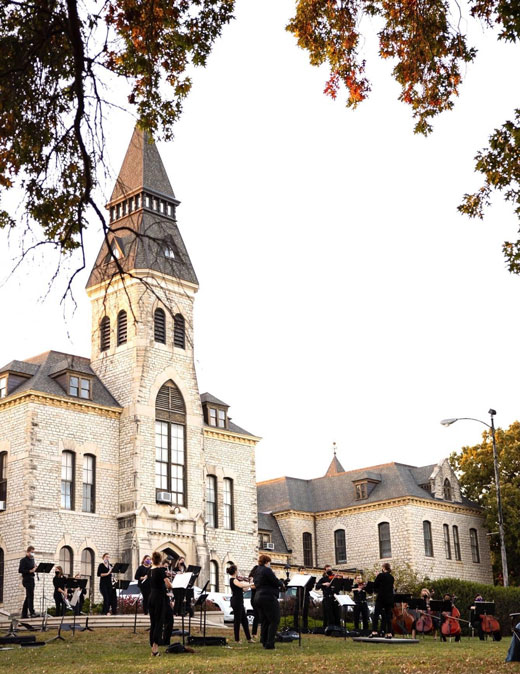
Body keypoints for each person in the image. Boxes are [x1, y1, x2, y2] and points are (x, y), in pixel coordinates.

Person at [252, 554, 281, 650]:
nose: (270, 564)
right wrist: (281, 583)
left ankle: (264, 641)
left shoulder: (256, 571)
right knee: (274, 620)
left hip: (258, 597)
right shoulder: (267, 570)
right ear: (266, 562)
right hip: (268, 597)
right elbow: (275, 581)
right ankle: (270, 644)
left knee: (264, 620)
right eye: (269, 562)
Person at [149, 551, 172, 656]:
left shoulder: (150, 570)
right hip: (159, 598)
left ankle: (152, 648)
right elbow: (168, 585)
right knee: (159, 623)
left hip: (151, 597)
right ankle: (155, 650)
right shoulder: (160, 570)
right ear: (160, 560)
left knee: (153, 622)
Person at [227, 564, 253, 643]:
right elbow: (241, 585)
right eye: (237, 570)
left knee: (244, 620)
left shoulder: (236, 580)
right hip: (236, 602)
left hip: (240, 602)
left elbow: (244, 589)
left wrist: (250, 582)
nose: (238, 572)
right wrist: (250, 584)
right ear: (235, 571)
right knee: (237, 621)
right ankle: (237, 639)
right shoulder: (233, 580)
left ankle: (249, 638)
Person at [370, 562, 394, 639]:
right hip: (389, 598)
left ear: (383, 568)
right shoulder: (392, 577)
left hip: (381, 598)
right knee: (388, 616)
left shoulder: (381, 575)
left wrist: (377, 576)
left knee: (376, 614)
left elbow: (375, 585)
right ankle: (389, 633)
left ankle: (374, 631)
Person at [19, 545, 38, 618]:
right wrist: (29, 571)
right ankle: (32, 612)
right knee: (30, 595)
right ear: (28, 552)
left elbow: (33, 569)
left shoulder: (32, 560)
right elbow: (20, 570)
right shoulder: (23, 560)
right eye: (32, 552)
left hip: (32, 578)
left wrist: (35, 568)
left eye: (33, 552)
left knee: (28, 596)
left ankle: (24, 614)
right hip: (26, 579)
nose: (33, 554)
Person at [293, 566, 313, 633]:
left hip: (306, 596)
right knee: (296, 612)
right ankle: (295, 627)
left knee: (305, 612)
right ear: (299, 571)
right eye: (301, 570)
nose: (302, 571)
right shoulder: (297, 577)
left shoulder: (308, 578)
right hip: (298, 596)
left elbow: (310, 588)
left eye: (304, 570)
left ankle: (305, 628)